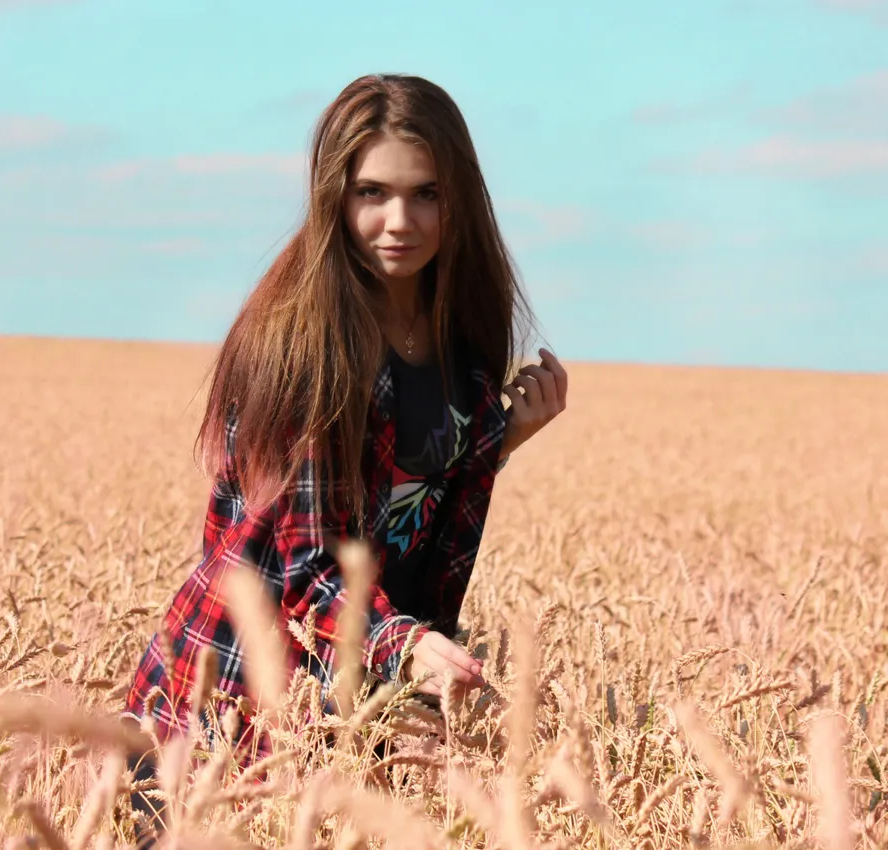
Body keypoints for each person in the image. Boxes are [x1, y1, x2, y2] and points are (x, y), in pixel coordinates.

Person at [120, 73, 567, 845]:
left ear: (458, 199)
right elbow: (304, 565)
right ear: (335, 198)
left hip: (343, 718)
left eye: (425, 193)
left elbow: (401, 508)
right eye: (372, 193)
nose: (400, 220)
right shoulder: (306, 348)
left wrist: (496, 439)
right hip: (229, 714)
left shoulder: (458, 346)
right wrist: (411, 646)